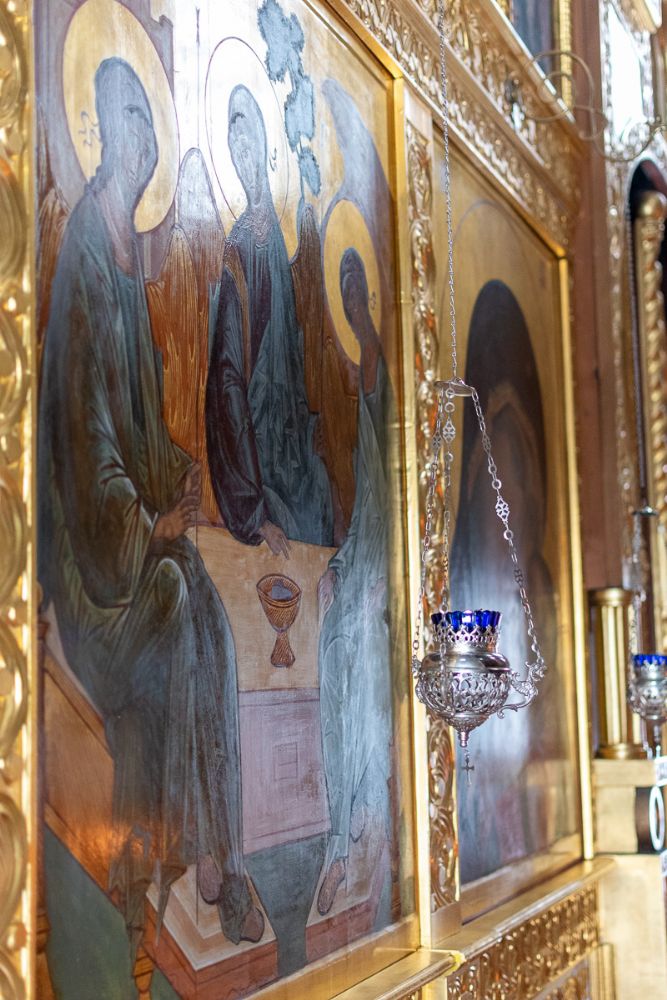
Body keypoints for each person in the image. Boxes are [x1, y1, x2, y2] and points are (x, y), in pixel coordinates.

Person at [38, 58, 263, 955]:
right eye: (133, 124)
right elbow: (85, 448)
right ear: (103, 130)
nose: (144, 145)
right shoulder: (84, 259)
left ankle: (216, 857)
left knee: (206, 606)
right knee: (171, 597)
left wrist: (179, 475)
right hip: (92, 571)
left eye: (150, 128)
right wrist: (144, 525)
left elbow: (137, 431)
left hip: (131, 539)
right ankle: (162, 853)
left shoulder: (125, 259)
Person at [206, 85, 333, 554]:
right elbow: (227, 378)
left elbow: (293, 356)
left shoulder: (277, 240)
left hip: (289, 444)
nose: (242, 147)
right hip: (258, 457)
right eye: (232, 136)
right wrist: (255, 511)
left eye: (248, 133)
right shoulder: (237, 249)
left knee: (319, 502)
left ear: (264, 143)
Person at [316, 248, 394, 915]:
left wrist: (386, 578)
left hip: (389, 572)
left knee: (363, 661)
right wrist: (339, 569)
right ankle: (339, 835)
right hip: (363, 561)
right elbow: (365, 508)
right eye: (339, 292)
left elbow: (400, 500)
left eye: (353, 288)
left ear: (367, 296)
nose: (348, 300)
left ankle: (355, 832)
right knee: (330, 652)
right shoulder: (358, 378)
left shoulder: (385, 377)